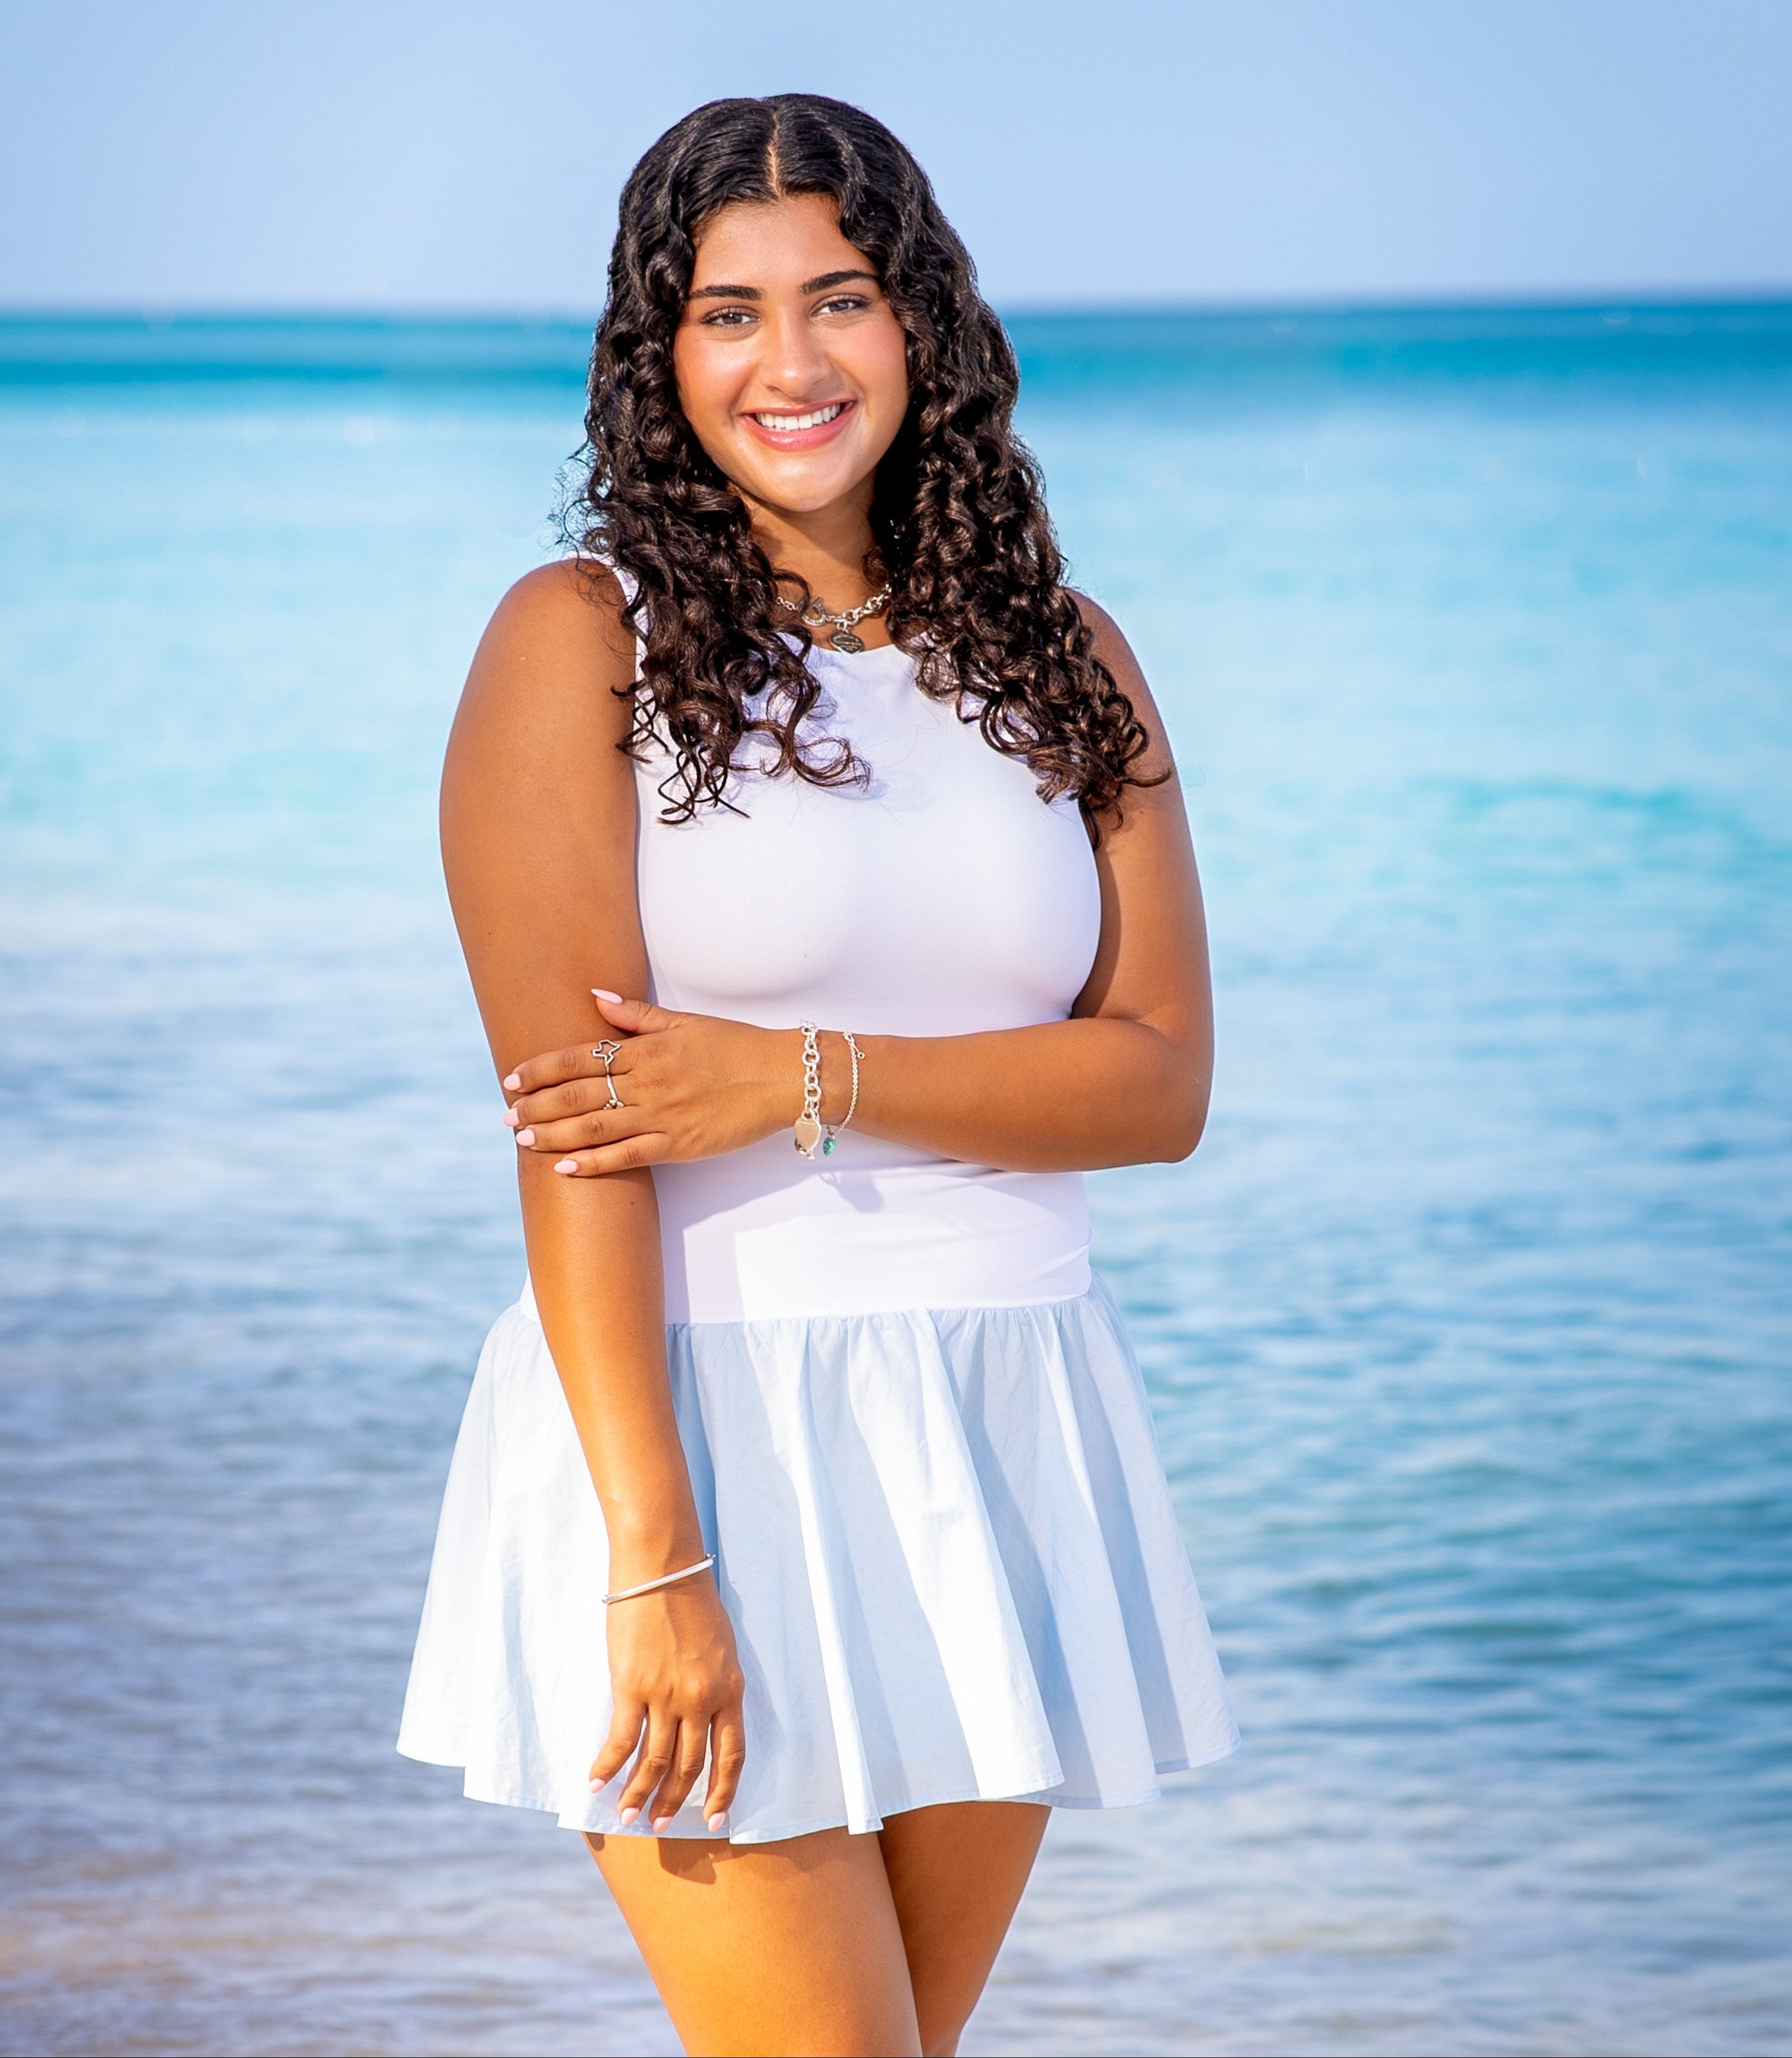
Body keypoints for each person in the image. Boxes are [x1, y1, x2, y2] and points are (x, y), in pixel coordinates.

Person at [399, 92, 1237, 2058]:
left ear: (921, 323)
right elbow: (579, 1137)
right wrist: (655, 1554)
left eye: (839, 298)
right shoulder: (573, 643)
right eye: (724, 313)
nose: (789, 363)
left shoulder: (1064, 656)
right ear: (656, 356)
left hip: (1002, 1423)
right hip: (696, 1428)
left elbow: (1158, 1086)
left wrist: (798, 1072)